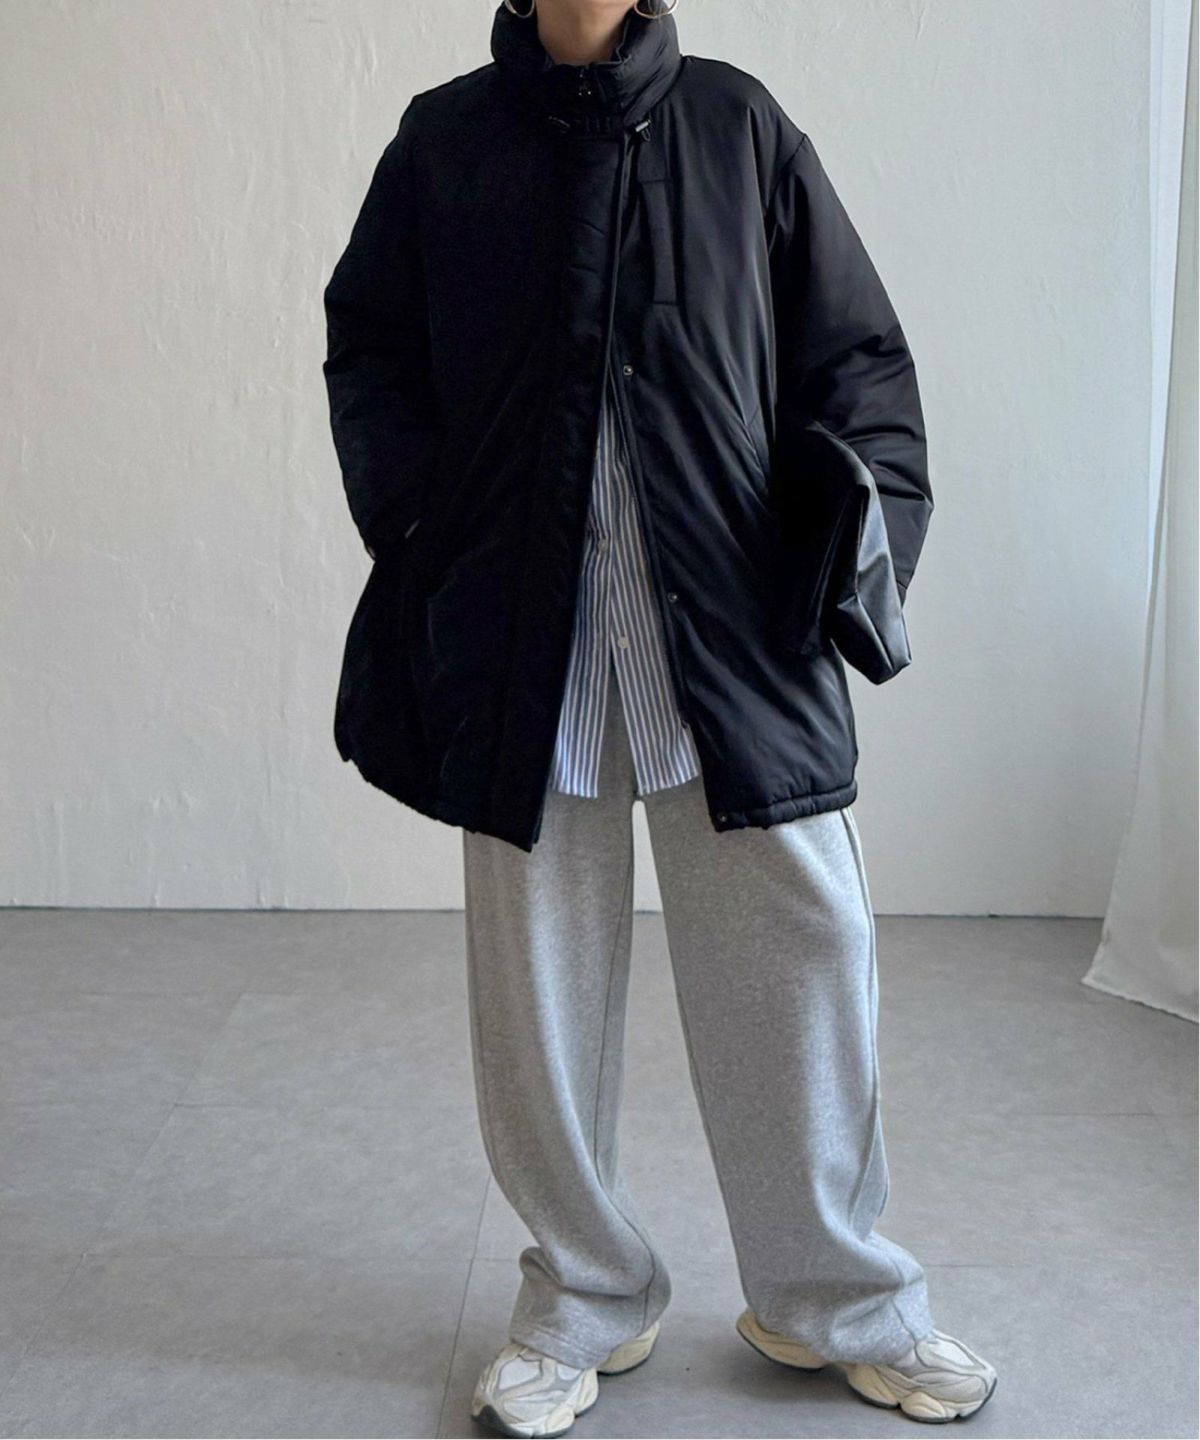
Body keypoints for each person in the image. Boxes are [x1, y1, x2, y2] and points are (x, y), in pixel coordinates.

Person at [322, 0, 997, 1433]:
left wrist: (848, 540)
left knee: (809, 958)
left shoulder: (738, 126)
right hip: (526, 640)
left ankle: (836, 1300)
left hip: (732, 637)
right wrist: (426, 530)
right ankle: (582, 1297)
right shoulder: (444, 144)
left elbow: (858, 361)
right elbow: (371, 351)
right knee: (539, 990)